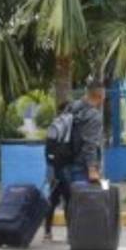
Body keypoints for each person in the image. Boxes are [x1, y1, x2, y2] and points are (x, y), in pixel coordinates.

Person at [43, 82, 104, 241]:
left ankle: (48, 232)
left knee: (57, 195)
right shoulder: (94, 116)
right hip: (78, 164)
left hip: (60, 160)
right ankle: (75, 235)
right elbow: (90, 144)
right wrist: (92, 168)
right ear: (100, 96)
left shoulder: (71, 107)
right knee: (76, 200)